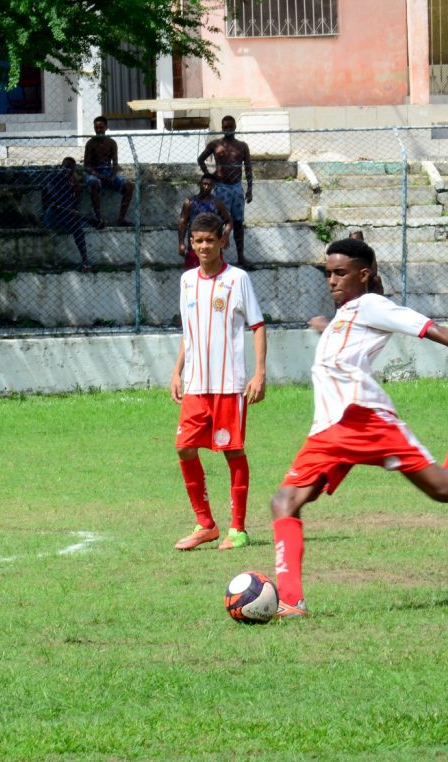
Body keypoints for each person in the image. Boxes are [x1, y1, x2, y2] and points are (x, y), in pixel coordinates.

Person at [268, 237, 448, 617]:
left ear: (364, 276)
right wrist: (324, 325)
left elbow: (429, 328)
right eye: (328, 274)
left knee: (445, 488)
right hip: (328, 429)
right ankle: (291, 602)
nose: (331, 281)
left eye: (340, 273)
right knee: (286, 501)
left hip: (363, 420)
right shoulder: (349, 311)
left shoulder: (372, 305)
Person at [170, 212, 267, 551]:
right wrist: (177, 370)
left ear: (222, 240)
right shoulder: (186, 281)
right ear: (191, 243)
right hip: (196, 384)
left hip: (229, 384)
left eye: (209, 240)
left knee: (233, 451)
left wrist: (259, 372)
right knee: (184, 447)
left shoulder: (237, 279)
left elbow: (257, 325)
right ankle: (205, 524)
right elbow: (189, 332)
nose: (203, 246)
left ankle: (237, 529)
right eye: (197, 240)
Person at [197, 115, 253, 267]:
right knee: (219, 222)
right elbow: (201, 159)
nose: (228, 129)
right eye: (225, 127)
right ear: (222, 128)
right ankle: (219, 258)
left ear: (235, 127)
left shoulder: (242, 146)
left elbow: (248, 168)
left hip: (236, 188)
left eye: (230, 127)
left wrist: (250, 189)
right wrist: (209, 176)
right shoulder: (215, 144)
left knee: (238, 222)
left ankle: (241, 257)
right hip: (221, 187)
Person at [43, 157, 99, 272]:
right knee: (66, 213)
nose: (67, 170)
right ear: (61, 166)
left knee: (76, 226)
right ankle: (91, 221)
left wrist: (75, 188)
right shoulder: (52, 179)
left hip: (67, 217)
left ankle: (85, 262)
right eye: (66, 167)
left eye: (70, 168)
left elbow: (72, 204)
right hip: (52, 217)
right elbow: (55, 204)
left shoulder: (69, 184)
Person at [83, 115, 134, 227]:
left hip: (108, 172)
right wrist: (99, 176)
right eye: (97, 128)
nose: (99, 130)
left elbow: (115, 164)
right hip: (94, 173)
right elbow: (86, 166)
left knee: (129, 185)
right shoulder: (90, 143)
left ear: (106, 127)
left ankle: (121, 219)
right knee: (93, 183)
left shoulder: (112, 143)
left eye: (101, 127)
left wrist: (112, 176)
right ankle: (98, 218)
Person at [177, 174, 233, 270]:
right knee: (192, 276)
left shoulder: (217, 203)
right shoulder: (190, 202)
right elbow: (183, 222)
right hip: (194, 246)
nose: (206, 187)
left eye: (209, 185)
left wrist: (226, 235)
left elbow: (229, 220)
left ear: (213, 186)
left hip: (213, 246)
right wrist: (181, 243)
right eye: (204, 184)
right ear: (200, 184)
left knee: (216, 275)